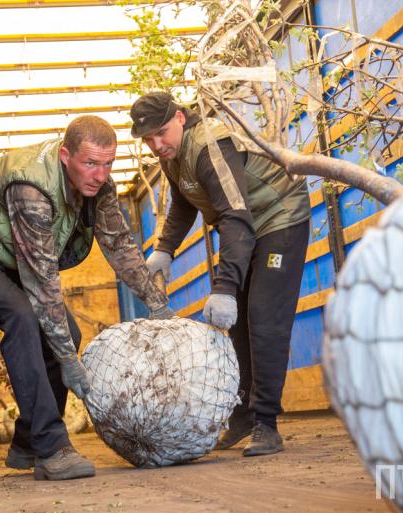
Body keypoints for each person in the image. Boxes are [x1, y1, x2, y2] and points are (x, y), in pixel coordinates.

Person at [0, 115, 173, 480]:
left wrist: (156, 304)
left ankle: (28, 443)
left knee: (68, 335)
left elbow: (120, 246)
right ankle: (51, 447)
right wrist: (68, 361)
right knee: (23, 318)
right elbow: (43, 283)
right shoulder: (31, 189)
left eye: (108, 164)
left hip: (6, 247)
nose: (100, 174)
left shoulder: (100, 186)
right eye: (90, 163)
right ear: (65, 155)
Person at [130, 92, 311, 456]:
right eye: (148, 139)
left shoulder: (210, 145)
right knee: (238, 324)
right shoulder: (172, 155)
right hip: (244, 227)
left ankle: (266, 423)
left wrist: (225, 287)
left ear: (180, 118)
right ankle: (243, 415)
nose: (156, 145)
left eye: (161, 133)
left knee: (264, 316)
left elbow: (234, 215)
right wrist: (165, 248)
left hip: (278, 216)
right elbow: (184, 203)